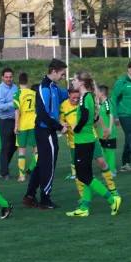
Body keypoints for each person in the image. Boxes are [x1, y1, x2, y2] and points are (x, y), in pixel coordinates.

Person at [65, 71, 122, 217]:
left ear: (81, 82)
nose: (73, 82)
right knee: (86, 174)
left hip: (83, 140)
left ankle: (112, 199)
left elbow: (84, 117)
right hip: (88, 139)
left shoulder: (85, 98)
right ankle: (84, 207)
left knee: (83, 175)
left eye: (75, 80)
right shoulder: (88, 97)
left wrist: (75, 129)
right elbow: (92, 117)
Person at [22, 59, 69, 210]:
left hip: (47, 130)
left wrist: (78, 89)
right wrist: (59, 126)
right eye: (62, 74)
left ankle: (29, 196)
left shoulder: (53, 87)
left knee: (42, 164)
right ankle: (45, 199)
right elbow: (42, 114)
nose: (63, 77)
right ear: (54, 72)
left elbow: (66, 95)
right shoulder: (44, 88)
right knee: (48, 165)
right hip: (45, 131)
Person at [0, 67, 18, 180]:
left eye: (10, 77)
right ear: (2, 77)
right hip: (4, 120)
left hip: (14, 120)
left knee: (14, 146)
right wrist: (12, 104)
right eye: (6, 77)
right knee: (5, 146)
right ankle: (4, 172)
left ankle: (4, 169)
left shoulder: (15, 87)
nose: (9, 79)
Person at [13, 72, 37, 182]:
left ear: (18, 81)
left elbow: (17, 110)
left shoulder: (16, 94)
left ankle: (22, 176)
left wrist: (16, 125)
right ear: (28, 80)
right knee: (36, 150)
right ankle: (35, 171)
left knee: (22, 151)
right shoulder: (33, 93)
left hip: (22, 125)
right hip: (34, 123)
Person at [59, 88, 81, 181]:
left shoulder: (83, 103)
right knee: (73, 155)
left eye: (78, 98)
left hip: (86, 135)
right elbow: (61, 121)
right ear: (69, 94)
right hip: (72, 136)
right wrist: (63, 124)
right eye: (73, 98)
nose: (76, 100)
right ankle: (74, 173)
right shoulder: (63, 106)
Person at [97, 85, 117, 177]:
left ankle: (112, 171)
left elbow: (111, 116)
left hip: (109, 133)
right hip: (101, 133)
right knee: (103, 151)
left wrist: (109, 129)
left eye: (97, 91)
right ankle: (107, 169)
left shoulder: (108, 104)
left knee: (110, 151)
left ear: (102, 93)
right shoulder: (101, 105)